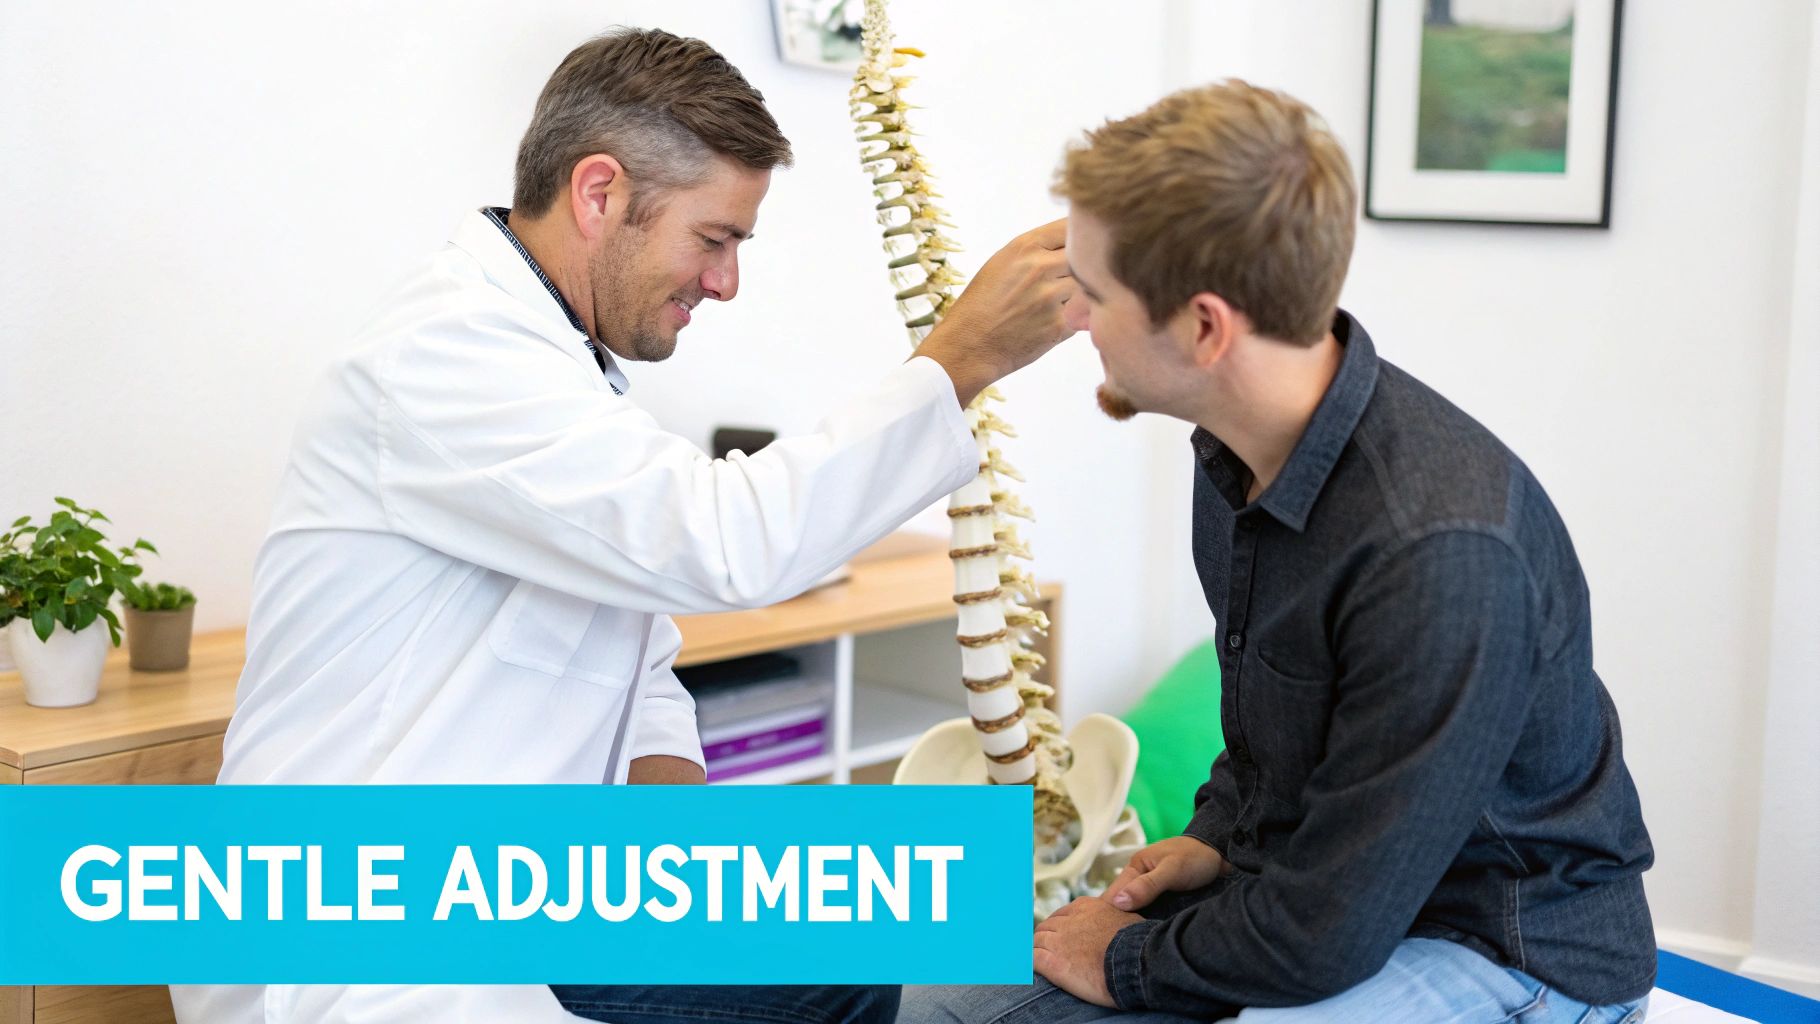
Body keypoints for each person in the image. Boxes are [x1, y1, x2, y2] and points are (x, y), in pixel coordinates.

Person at [170, 28, 1080, 1024]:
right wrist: (961, 356)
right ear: (599, 194)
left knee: (902, 955)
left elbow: (634, 658)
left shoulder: (556, 368)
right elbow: (724, 543)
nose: (725, 281)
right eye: (714, 238)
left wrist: (682, 876)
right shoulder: (443, 358)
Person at [899, 79, 1654, 1024]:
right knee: (933, 1003)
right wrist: (1221, 835)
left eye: (1095, 293)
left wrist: (1129, 961)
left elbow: (1328, 933)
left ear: (1204, 327)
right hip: (1327, 895)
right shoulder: (1236, 457)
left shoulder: (1441, 553)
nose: (1075, 318)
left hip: (1498, 946)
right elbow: (1276, 729)